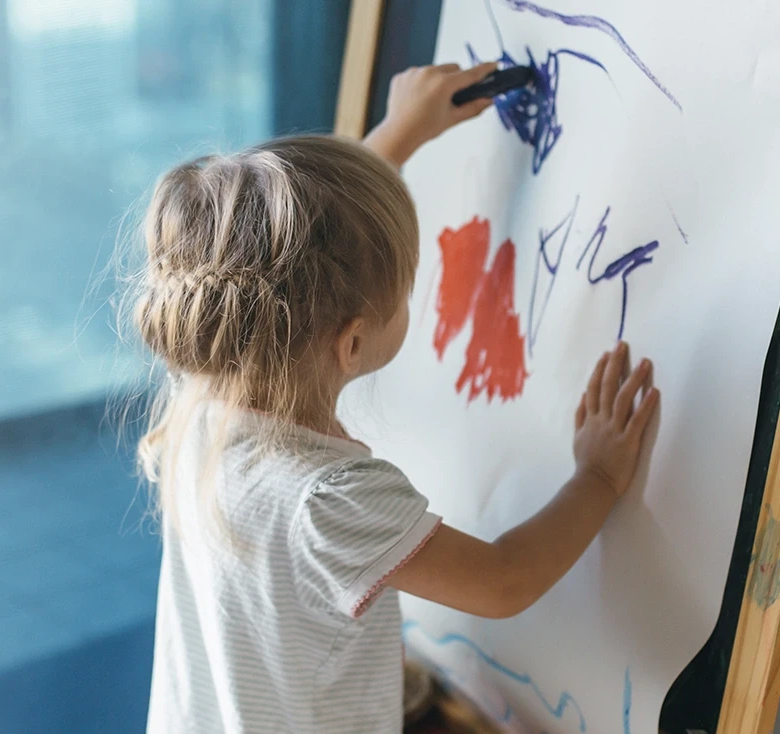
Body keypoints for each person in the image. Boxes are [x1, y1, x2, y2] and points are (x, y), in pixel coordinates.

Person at [133, 61, 660, 733]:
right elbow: (505, 581)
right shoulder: (331, 499)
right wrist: (601, 474)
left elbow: (298, 253)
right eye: (407, 288)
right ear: (352, 343)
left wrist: (400, 131)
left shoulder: (201, 394)